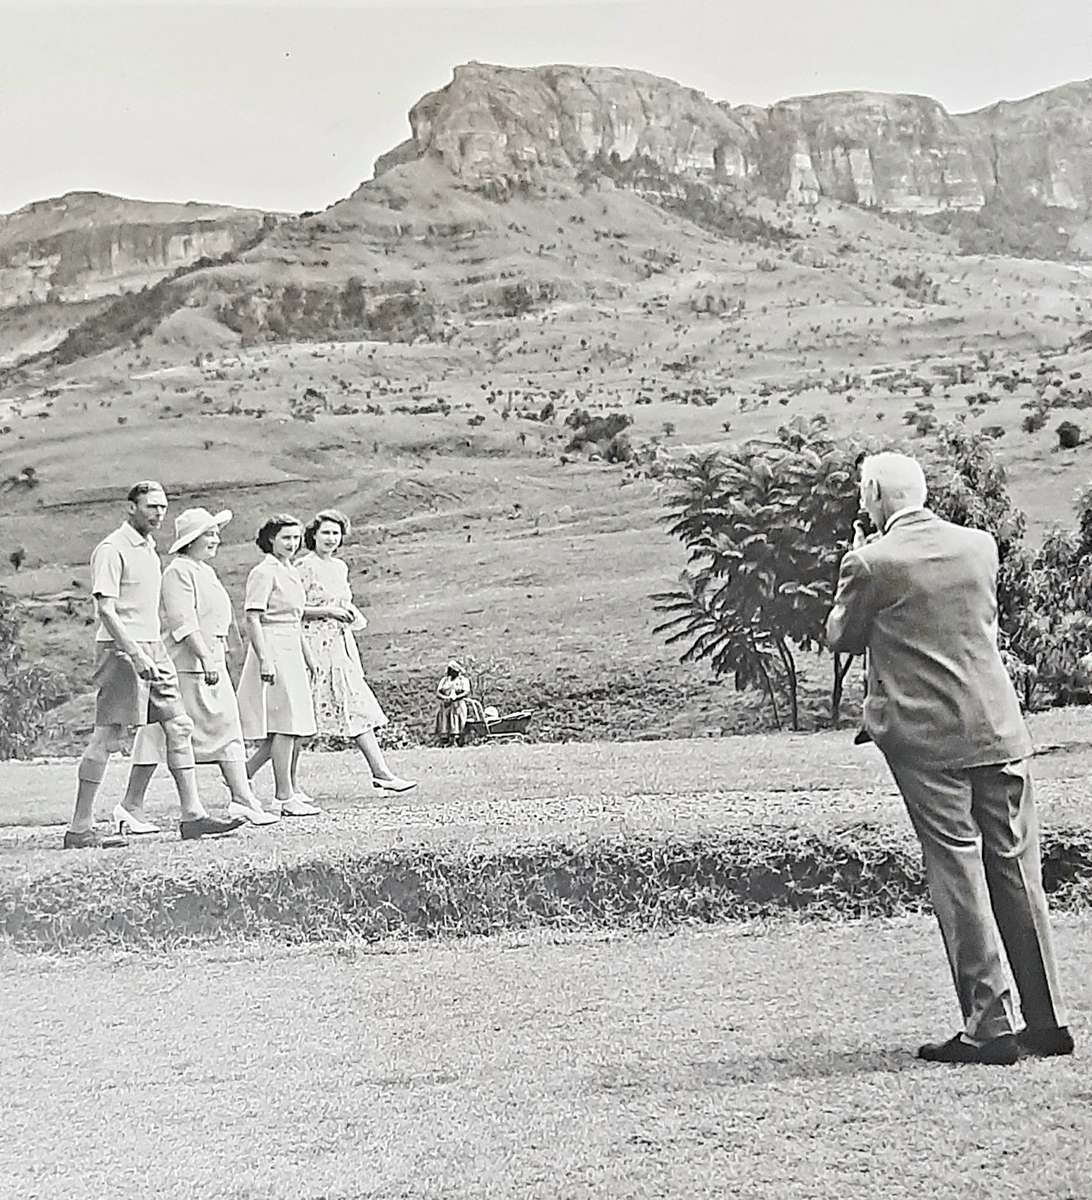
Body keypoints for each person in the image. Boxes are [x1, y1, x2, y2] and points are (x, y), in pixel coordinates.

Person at [826, 451, 1072, 1065]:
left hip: (928, 742)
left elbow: (841, 636)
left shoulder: (870, 562)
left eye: (864, 492)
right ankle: (1048, 1021)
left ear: (877, 493)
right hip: (998, 729)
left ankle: (990, 1027)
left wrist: (850, 564)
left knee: (957, 871)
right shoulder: (980, 545)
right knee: (1016, 868)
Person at [64, 481, 243, 848]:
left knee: (179, 726)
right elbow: (106, 610)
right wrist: (135, 652)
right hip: (120, 649)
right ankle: (80, 828)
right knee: (109, 736)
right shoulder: (113, 549)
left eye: (162, 507)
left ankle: (192, 816)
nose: (158, 513)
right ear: (131, 508)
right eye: (150, 506)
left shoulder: (149, 549)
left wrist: (150, 650)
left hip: (153, 646)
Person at [119, 507, 279, 829]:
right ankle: (131, 807)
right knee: (160, 736)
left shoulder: (205, 571)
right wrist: (205, 657)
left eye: (216, 533)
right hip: (187, 666)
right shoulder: (178, 571)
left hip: (212, 662)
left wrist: (223, 653)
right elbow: (183, 622)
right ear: (191, 539)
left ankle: (242, 798)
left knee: (226, 728)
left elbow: (219, 618)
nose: (216, 539)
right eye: (209, 534)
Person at [297, 509, 416, 792]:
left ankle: (382, 773)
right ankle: (266, 779)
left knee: (356, 706)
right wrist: (329, 611)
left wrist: (348, 613)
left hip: (339, 645)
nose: (331, 538)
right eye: (325, 532)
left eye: (336, 533)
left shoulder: (339, 567)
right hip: (312, 645)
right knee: (304, 719)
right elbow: (293, 609)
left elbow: (344, 602)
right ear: (313, 535)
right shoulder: (304, 566)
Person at [236, 513, 321, 817]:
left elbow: (296, 619)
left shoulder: (291, 570)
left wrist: (309, 657)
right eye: (286, 538)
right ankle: (283, 796)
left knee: (295, 726)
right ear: (271, 539)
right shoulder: (264, 571)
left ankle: (241, 777)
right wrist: (265, 659)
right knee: (286, 724)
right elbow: (253, 618)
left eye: (296, 538)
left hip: (291, 647)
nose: (292, 544)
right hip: (272, 647)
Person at [435, 660, 471, 747]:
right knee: (444, 722)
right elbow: (438, 692)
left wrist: (456, 697)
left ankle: (456, 740)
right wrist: (445, 698)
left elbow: (466, 692)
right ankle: (444, 740)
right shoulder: (444, 680)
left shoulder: (463, 680)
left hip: (458, 705)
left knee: (456, 721)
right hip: (446, 705)